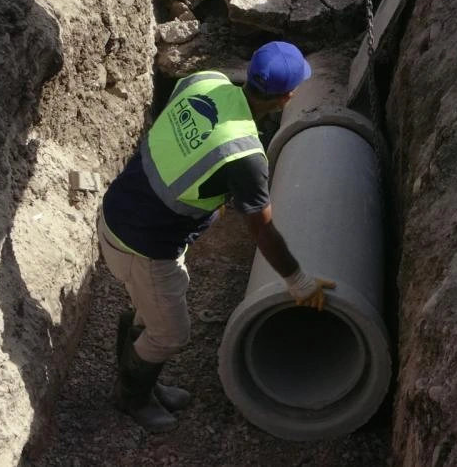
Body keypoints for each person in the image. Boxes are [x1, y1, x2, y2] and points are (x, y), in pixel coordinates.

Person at [98, 41, 336, 433]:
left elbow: (180, 142)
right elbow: (262, 230)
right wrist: (298, 281)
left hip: (119, 207)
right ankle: (130, 396)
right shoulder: (245, 156)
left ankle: (142, 378)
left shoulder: (204, 80)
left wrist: (213, 193)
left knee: (153, 304)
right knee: (171, 333)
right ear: (286, 98)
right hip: (143, 243)